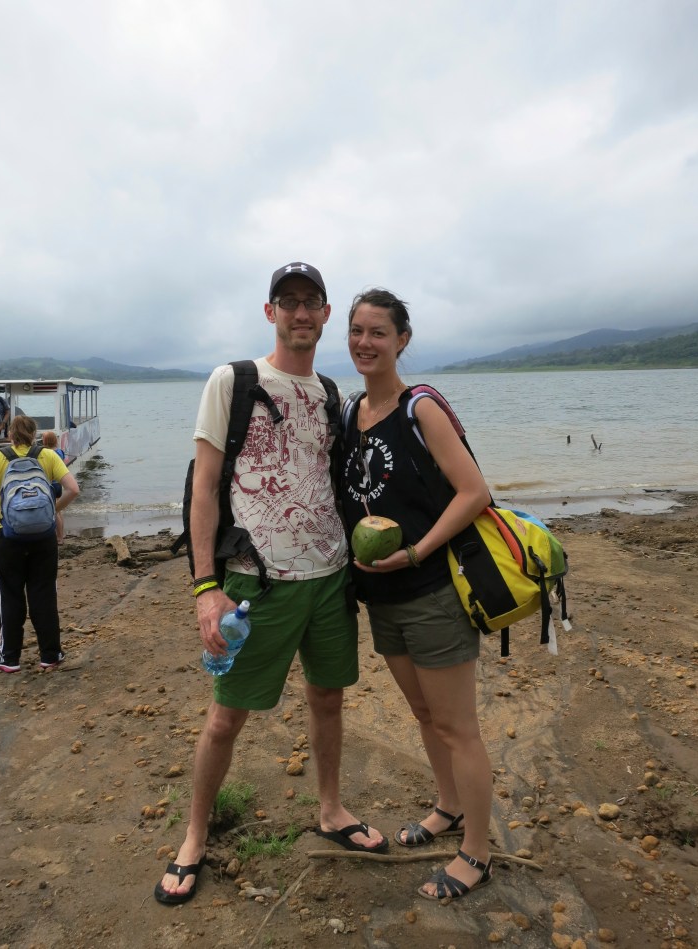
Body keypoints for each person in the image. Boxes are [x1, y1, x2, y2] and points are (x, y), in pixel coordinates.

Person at [154, 262, 386, 907]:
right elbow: (204, 488)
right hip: (259, 582)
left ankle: (332, 810)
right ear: (270, 312)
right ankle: (194, 835)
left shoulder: (331, 393)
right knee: (227, 717)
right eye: (289, 302)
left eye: (312, 301)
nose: (301, 313)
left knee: (329, 698)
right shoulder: (235, 380)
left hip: (331, 576)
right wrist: (206, 587)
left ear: (326, 312)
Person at [340, 288, 494, 902]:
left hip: (431, 590)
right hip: (383, 598)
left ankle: (477, 854)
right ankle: (449, 807)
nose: (364, 343)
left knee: (459, 728)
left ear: (402, 340)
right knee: (426, 716)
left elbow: (474, 492)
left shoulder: (419, 408)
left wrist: (419, 551)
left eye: (378, 332)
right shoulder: (353, 410)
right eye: (356, 330)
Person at [0, 415, 80, 673]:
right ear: (34, 434)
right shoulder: (48, 456)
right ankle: (50, 654)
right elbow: (73, 489)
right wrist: (52, 512)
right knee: (44, 594)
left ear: (10, 435)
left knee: (9, 595)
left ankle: (9, 658)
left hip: (7, 537)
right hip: (43, 537)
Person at [42, 432, 66, 542]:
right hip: (59, 484)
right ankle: (61, 534)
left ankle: (59, 537)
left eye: (43, 438)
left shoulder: (47, 453)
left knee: (54, 511)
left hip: (51, 484)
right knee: (58, 510)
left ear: (46, 441)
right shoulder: (60, 452)